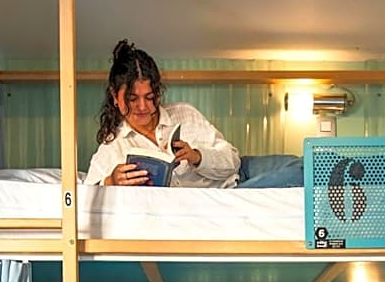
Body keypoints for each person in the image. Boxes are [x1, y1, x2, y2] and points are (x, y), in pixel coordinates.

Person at [85, 39, 303, 189]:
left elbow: (233, 160)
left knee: (305, 165)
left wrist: (197, 157)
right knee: (303, 175)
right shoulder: (112, 148)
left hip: (243, 170)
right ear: (115, 96)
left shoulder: (184, 114)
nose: (142, 106)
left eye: (149, 97)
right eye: (132, 99)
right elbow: (84, 197)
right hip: (228, 196)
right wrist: (110, 181)